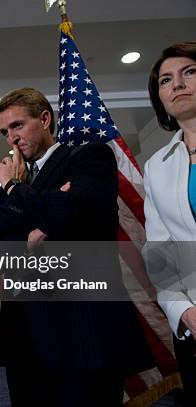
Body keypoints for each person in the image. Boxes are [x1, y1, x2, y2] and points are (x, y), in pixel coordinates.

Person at [0, 88, 153, 406]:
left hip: (82, 332)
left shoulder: (90, 157)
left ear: (45, 119)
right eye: (5, 132)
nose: (11, 138)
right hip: (25, 339)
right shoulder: (1, 194)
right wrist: (37, 233)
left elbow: (75, 213)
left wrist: (14, 187)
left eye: (18, 125)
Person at [143, 41, 196, 405]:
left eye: (189, 72)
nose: (176, 85)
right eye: (166, 80)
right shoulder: (157, 165)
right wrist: (186, 312)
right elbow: (159, 252)